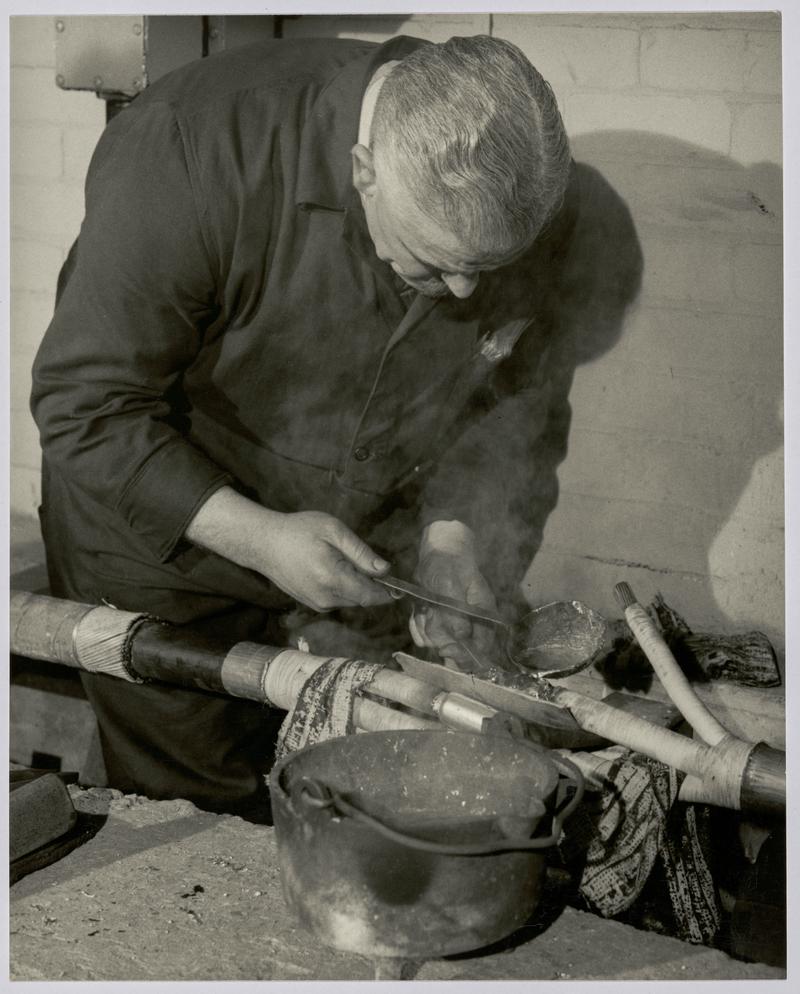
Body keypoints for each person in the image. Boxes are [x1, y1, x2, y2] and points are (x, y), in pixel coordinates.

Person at [30, 33, 587, 820]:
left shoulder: (518, 189)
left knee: (343, 789)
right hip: (162, 542)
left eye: (484, 270)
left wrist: (452, 539)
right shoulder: (191, 146)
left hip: (347, 541)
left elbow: (512, 400)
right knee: (203, 827)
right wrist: (260, 538)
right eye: (431, 263)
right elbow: (84, 407)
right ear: (366, 172)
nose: (465, 293)